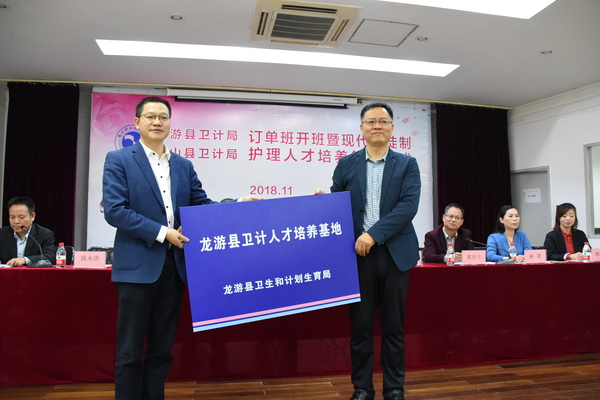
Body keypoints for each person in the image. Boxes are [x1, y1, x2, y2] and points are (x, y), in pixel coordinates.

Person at [102, 96, 260, 400]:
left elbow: (201, 205)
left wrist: (238, 204)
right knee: (129, 352)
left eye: (163, 117)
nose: (157, 122)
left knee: (162, 350)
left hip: (174, 270)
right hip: (136, 271)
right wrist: (164, 233)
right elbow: (115, 210)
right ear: (137, 123)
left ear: (170, 124)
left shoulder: (183, 165)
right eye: (150, 116)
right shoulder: (119, 159)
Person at [314, 102, 420, 400]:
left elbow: (408, 207)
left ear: (392, 128)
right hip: (356, 257)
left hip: (394, 255)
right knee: (360, 328)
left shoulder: (407, 164)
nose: (377, 126)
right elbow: (338, 203)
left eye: (383, 121)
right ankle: (362, 388)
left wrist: (373, 234)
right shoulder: (347, 163)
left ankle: (394, 388)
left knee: (393, 328)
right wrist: (322, 202)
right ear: (361, 128)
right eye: (371, 121)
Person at [0, 196, 55, 267]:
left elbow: (50, 256)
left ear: (32, 216)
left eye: (21, 217)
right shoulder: (2, 234)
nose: (16, 221)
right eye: (12, 217)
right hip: (8, 273)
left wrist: (25, 260)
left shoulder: (44, 234)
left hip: (33, 273)